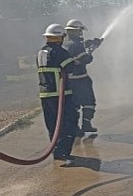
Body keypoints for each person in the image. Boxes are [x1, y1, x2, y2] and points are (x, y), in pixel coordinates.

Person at [37, 23, 79, 162]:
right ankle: (63, 152)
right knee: (69, 123)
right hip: (60, 95)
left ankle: (57, 151)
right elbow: (70, 67)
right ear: (60, 37)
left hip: (45, 94)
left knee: (53, 125)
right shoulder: (59, 52)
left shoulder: (41, 52)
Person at [63, 19, 100, 135]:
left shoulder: (65, 44)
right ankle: (86, 124)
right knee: (89, 102)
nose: (81, 33)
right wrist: (90, 51)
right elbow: (86, 59)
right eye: (80, 31)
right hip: (80, 79)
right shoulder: (77, 45)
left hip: (69, 80)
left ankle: (75, 128)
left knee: (74, 105)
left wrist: (89, 44)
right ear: (77, 31)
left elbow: (77, 49)